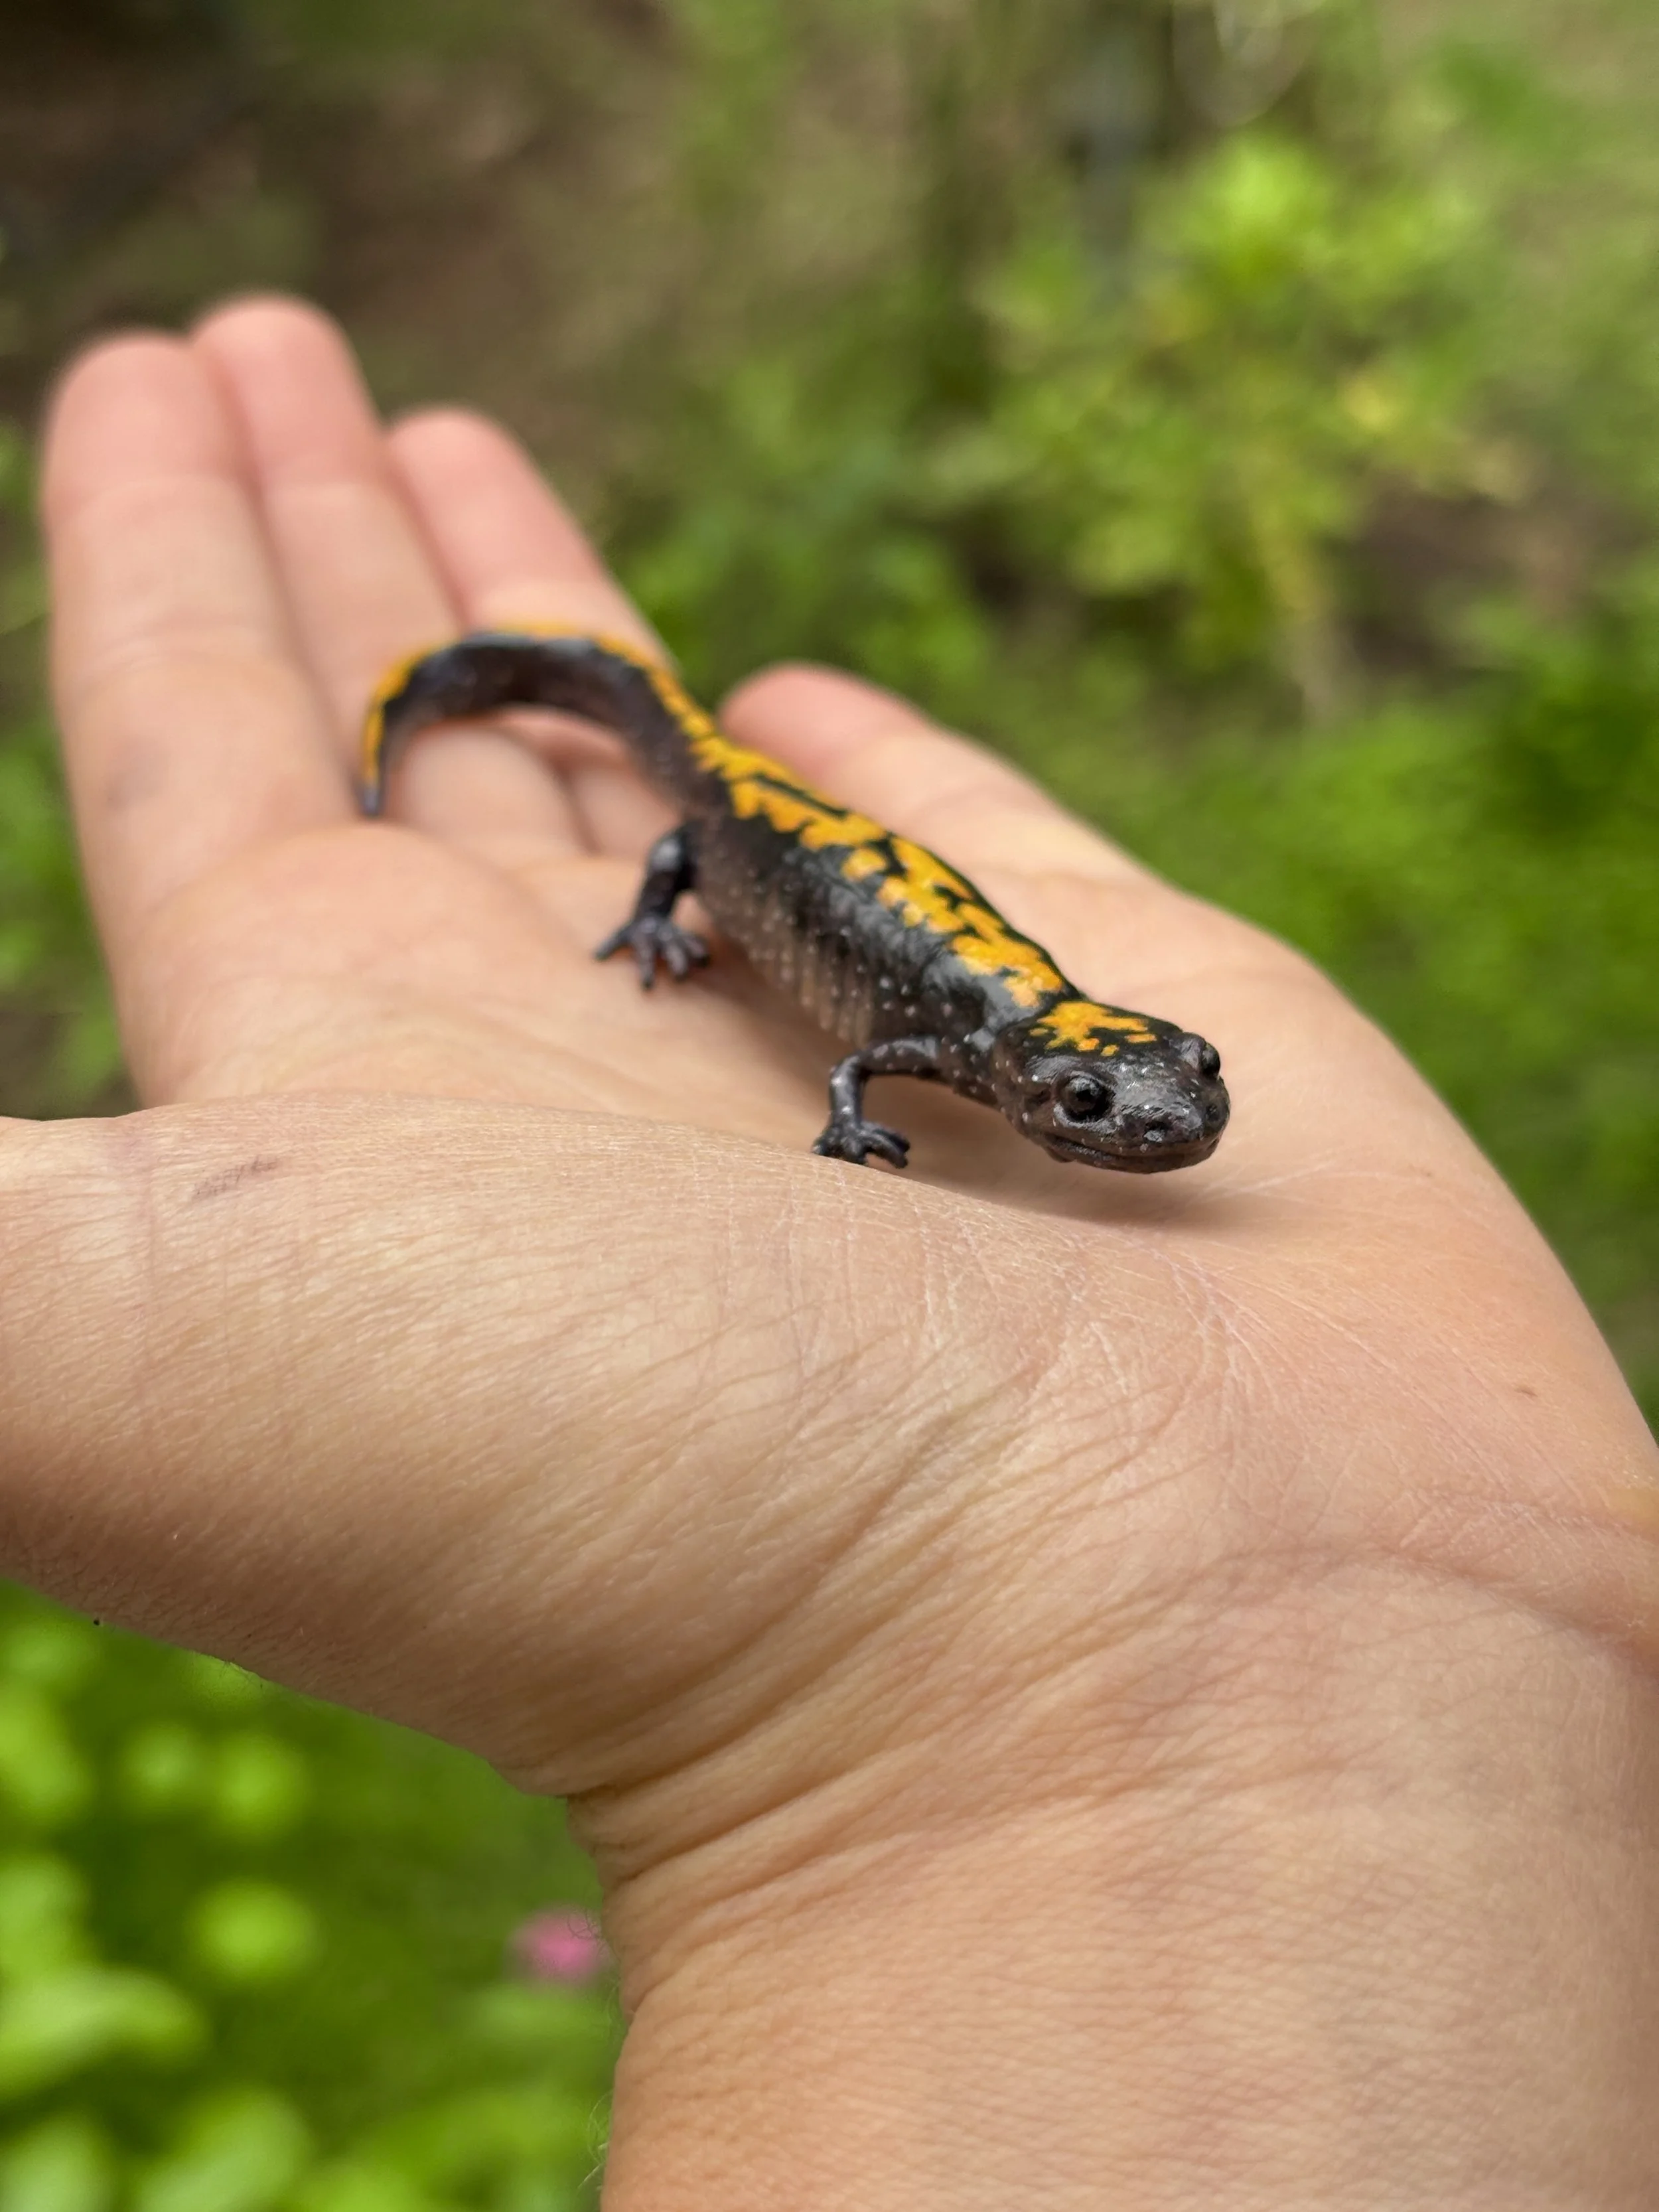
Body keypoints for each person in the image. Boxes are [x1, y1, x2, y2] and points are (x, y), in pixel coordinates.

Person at [12, 295, 1656, 2207]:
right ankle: (470, 701)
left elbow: (957, 1039)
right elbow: (859, 1042)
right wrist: (785, 1047)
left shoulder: (1025, 1024)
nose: (1156, 1129)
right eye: (1123, 1110)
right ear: (1049, 1082)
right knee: (694, 825)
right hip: (753, 829)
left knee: (730, 807)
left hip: (835, 864)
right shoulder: (956, 1035)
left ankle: (503, 725)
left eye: (1158, 1100)